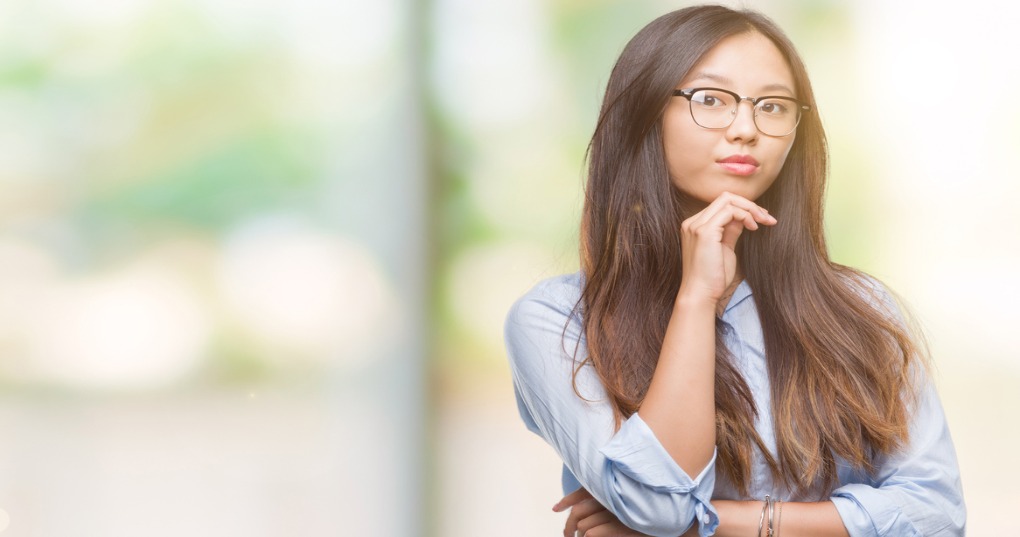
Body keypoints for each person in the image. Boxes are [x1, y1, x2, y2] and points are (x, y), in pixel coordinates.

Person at [503, 5, 965, 537]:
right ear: (644, 112)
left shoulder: (860, 310)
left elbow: (936, 514)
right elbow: (659, 506)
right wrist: (697, 297)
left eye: (772, 106)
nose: (746, 129)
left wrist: (714, 524)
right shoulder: (557, 320)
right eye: (711, 100)